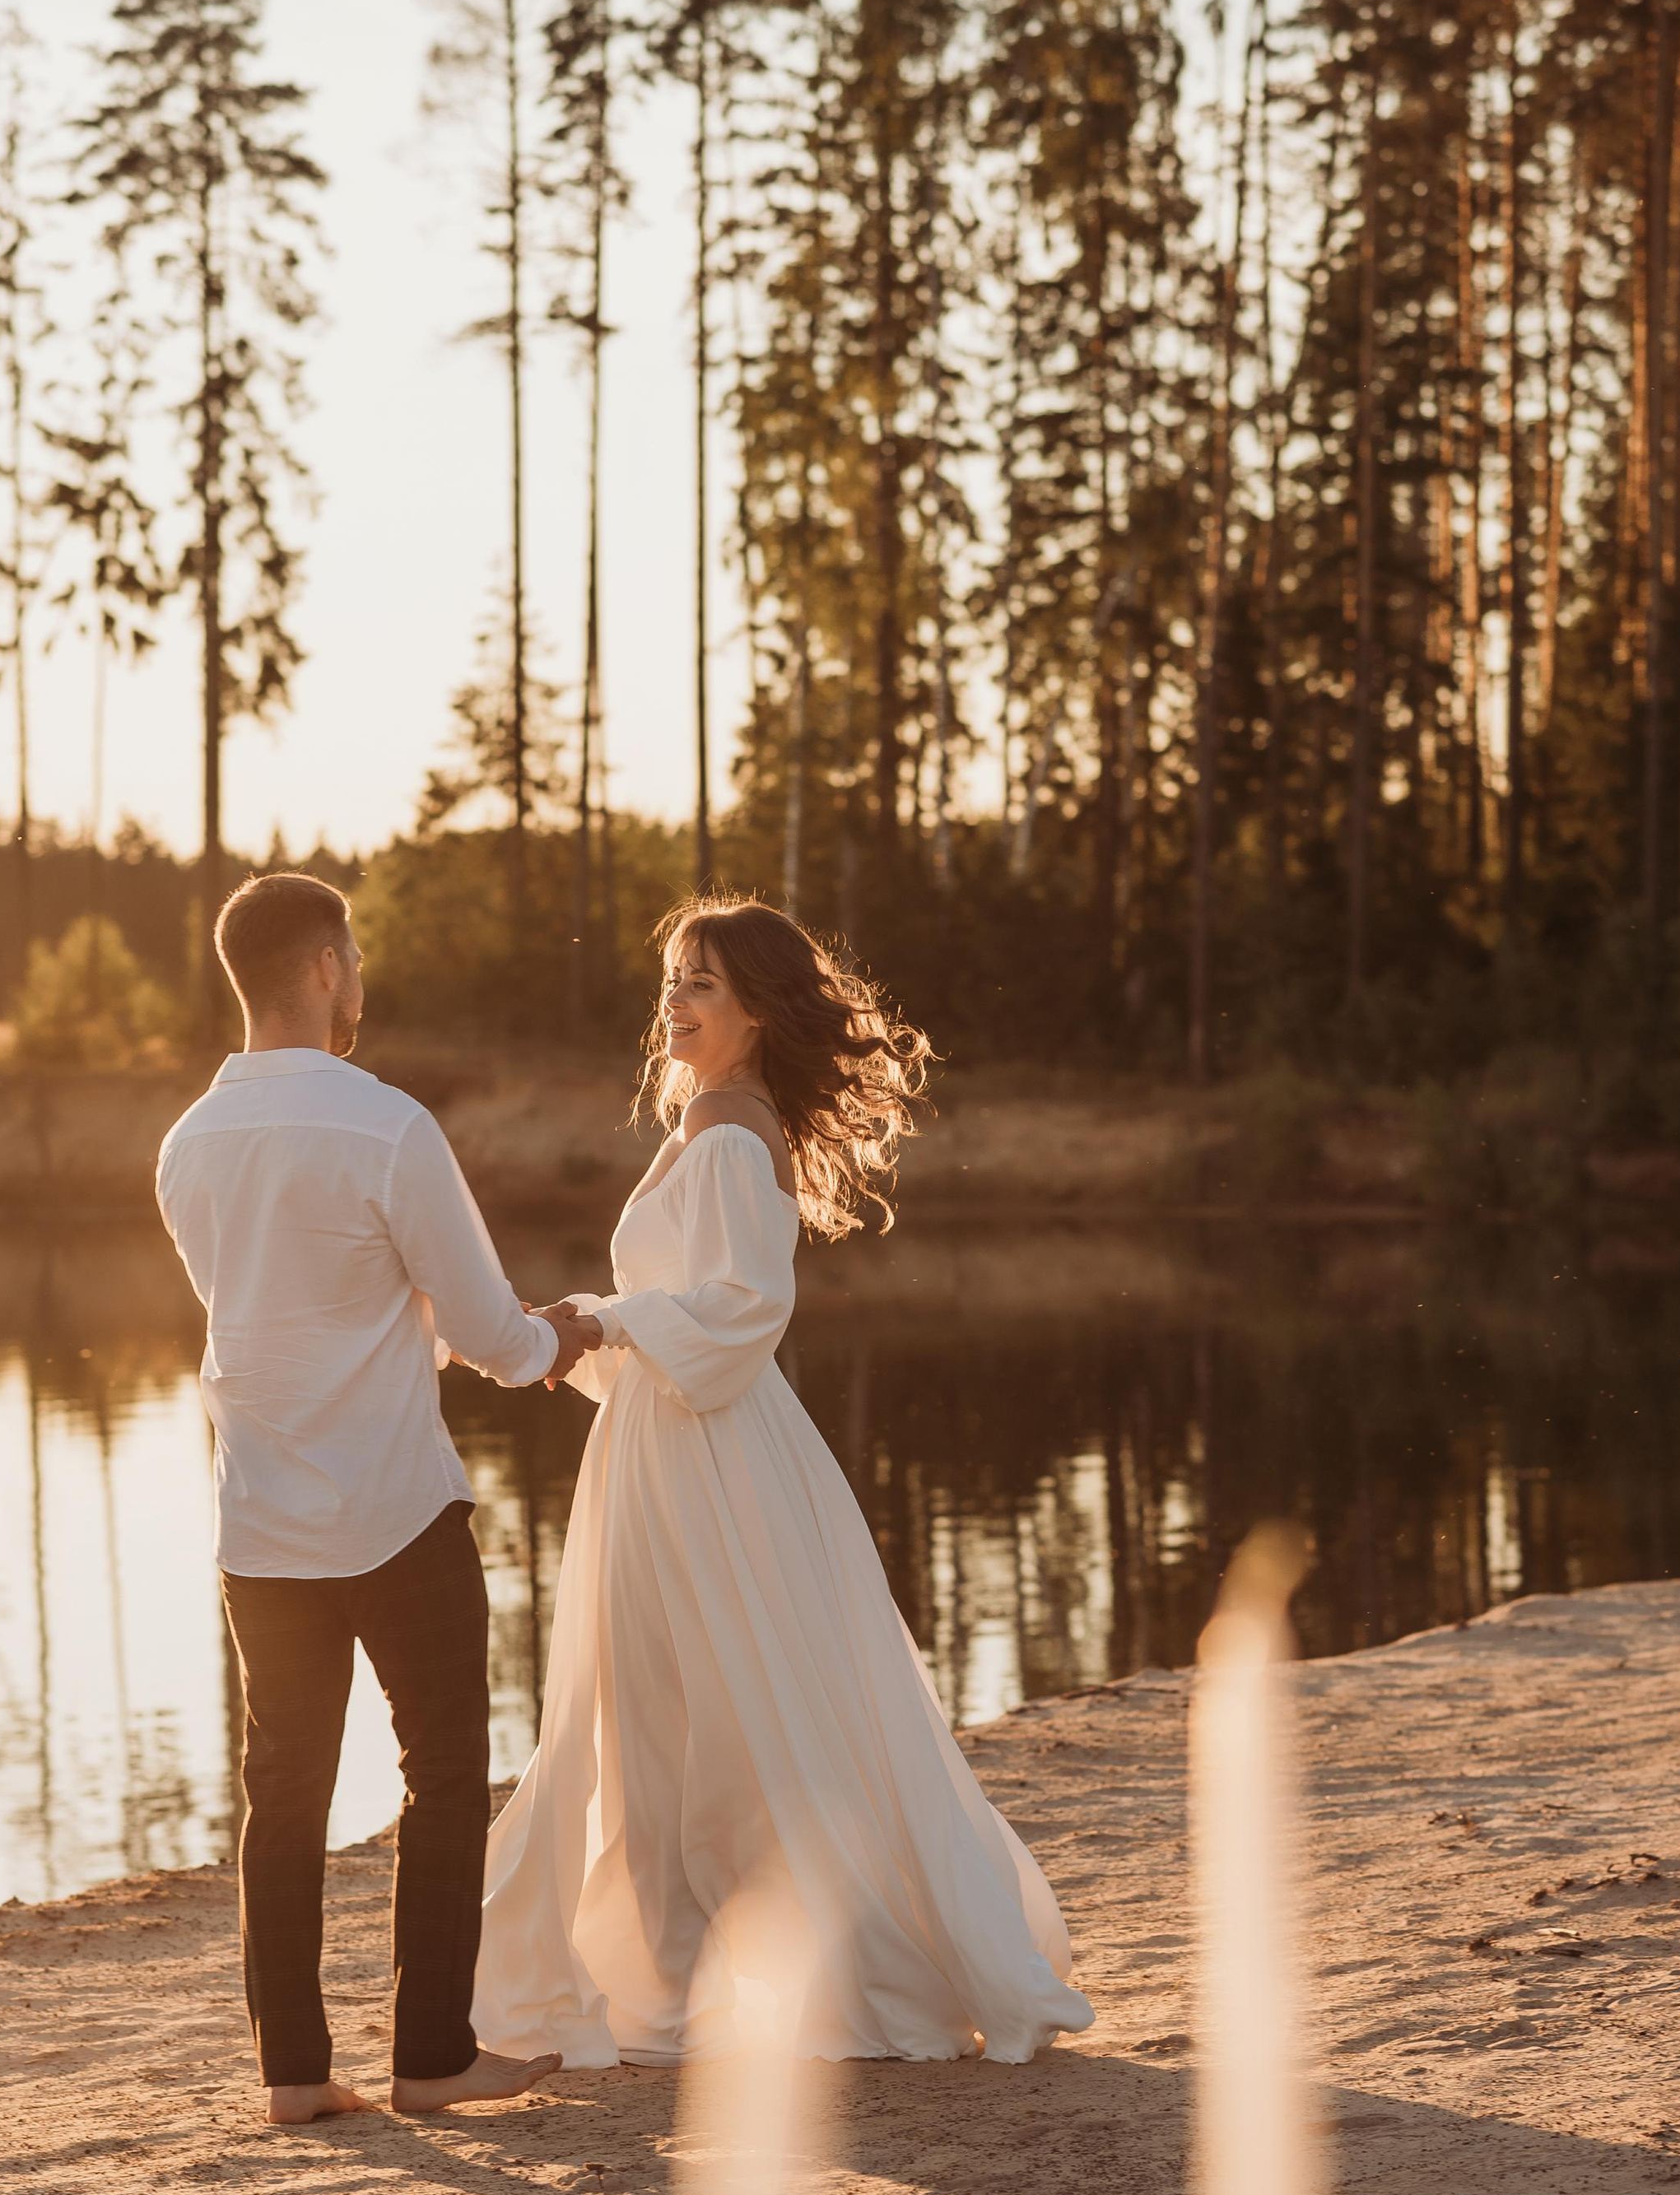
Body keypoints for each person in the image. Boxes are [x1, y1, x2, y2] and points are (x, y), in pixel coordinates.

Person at [473, 895, 1095, 2067]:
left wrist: (597, 1320)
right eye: (670, 980)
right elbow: (690, 1311)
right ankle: (670, 1967)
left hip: (710, 1465)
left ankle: (733, 1970)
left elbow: (743, 1312)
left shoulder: (726, 1128)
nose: (675, 1001)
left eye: (701, 983)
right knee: (668, 1716)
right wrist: (582, 1335)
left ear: (757, 1011)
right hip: (671, 1451)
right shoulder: (715, 1118)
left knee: (709, 1716)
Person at [156, 870, 600, 2124]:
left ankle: (295, 2074)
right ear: (321, 969)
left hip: (260, 1516)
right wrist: (549, 1337)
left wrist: (437, 1327)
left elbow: (297, 1310)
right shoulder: (385, 1127)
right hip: (397, 1507)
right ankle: (430, 2057)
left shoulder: (186, 1144)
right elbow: (486, 1327)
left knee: (283, 1786)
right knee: (446, 1772)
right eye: (352, 957)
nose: (362, 979)